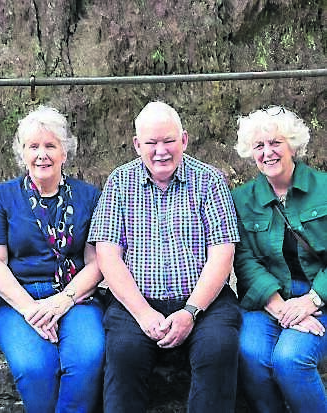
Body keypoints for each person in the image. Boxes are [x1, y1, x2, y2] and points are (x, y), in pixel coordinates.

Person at [88, 101, 242, 413]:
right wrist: (143, 313)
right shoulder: (119, 182)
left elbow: (223, 254)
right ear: (136, 145)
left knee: (218, 349)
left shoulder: (209, 181)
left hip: (204, 301)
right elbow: (108, 256)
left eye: (169, 141)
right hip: (136, 302)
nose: (161, 151)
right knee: (123, 354)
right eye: (151, 143)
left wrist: (190, 312)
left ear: (184, 139)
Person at [0, 106, 105, 413]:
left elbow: (99, 262)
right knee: (36, 368)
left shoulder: (89, 196)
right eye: (33, 147)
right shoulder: (2, 197)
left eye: (50, 146)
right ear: (22, 153)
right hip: (19, 302)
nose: (42, 155)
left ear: (65, 151)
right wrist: (31, 309)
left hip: (75, 297)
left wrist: (63, 300)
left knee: (88, 358)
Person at [232, 105, 327, 413]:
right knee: (250, 353)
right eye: (259, 145)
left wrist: (311, 301)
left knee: (290, 359)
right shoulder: (242, 199)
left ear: (292, 145)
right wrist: (279, 306)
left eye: (275, 143)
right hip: (269, 299)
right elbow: (244, 260)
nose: (268, 152)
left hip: (319, 297)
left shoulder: (324, 188)